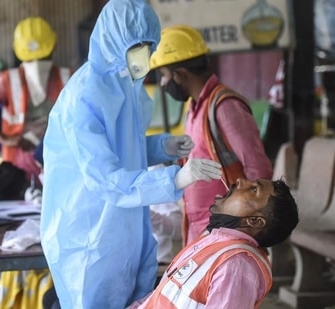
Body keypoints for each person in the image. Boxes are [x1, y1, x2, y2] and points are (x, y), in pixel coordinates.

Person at [40, 0, 224, 307]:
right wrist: (175, 178)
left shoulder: (126, 85)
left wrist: (160, 146)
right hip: (88, 232)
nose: (145, 55)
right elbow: (104, 178)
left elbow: (124, 149)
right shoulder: (84, 95)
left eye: (149, 46)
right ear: (112, 40)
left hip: (123, 224)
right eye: (137, 45)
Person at [150, 25, 273, 244]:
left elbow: (258, 169)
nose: (162, 83)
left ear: (180, 75)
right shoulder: (197, 108)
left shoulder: (224, 106)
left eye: (164, 75)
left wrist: (249, 229)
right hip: (201, 228)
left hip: (226, 231)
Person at [128, 177, 299, 308]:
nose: (240, 181)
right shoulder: (214, 242)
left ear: (254, 221)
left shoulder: (236, 265)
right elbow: (162, 295)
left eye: (254, 189)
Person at [0, 16, 72, 185]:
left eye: (42, 58)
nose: (37, 65)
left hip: (60, 173)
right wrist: (5, 139)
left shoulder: (70, 79)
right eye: (31, 59)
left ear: (53, 48)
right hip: (17, 175)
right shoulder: (7, 81)